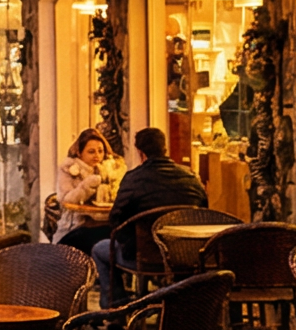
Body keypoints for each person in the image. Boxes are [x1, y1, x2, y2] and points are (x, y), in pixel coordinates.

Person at [93, 126, 208, 306]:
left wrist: (130, 242)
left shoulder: (133, 179)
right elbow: (204, 212)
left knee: (100, 249)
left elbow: (115, 220)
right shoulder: (191, 177)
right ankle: (180, 305)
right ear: (165, 148)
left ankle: (116, 308)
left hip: (145, 256)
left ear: (140, 152)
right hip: (185, 256)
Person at [53, 127, 119, 252]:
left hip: (104, 224)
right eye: (91, 151)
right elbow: (67, 200)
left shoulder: (108, 170)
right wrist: (87, 186)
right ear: (79, 152)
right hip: (76, 225)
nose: (97, 156)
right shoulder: (70, 169)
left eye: (100, 151)